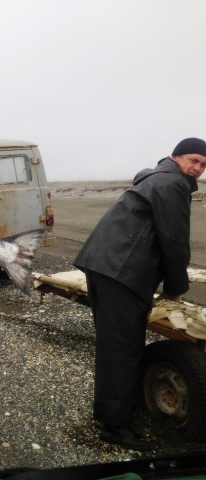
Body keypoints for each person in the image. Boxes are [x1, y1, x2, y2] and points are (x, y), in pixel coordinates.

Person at [73, 138, 206, 451]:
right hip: (121, 272)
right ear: (175, 157)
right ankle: (114, 428)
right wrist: (175, 290)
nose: (197, 169)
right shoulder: (172, 182)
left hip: (105, 266)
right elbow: (174, 240)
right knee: (122, 348)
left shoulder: (155, 178)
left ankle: (116, 411)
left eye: (202, 165)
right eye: (193, 161)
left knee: (116, 345)